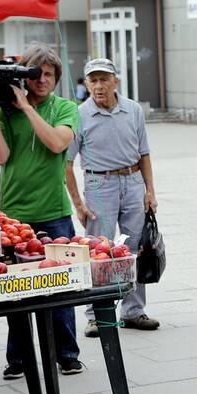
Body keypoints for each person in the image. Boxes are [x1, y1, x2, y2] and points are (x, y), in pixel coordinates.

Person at [0, 43, 83, 378]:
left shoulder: (65, 108)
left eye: (49, 74)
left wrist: (26, 107)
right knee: (14, 290)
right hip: (13, 213)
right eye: (36, 74)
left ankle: (66, 353)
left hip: (54, 210)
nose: (42, 80)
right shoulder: (7, 112)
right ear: (25, 76)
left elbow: (57, 143)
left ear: (56, 78)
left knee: (60, 284)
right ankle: (19, 358)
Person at [65, 57, 160, 337]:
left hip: (132, 182)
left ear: (115, 81)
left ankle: (133, 311)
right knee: (100, 251)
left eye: (104, 79)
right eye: (92, 80)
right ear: (86, 84)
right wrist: (78, 204)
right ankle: (96, 315)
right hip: (99, 183)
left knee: (134, 249)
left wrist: (150, 190)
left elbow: (144, 153)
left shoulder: (132, 110)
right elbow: (66, 164)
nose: (98, 86)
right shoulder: (79, 115)